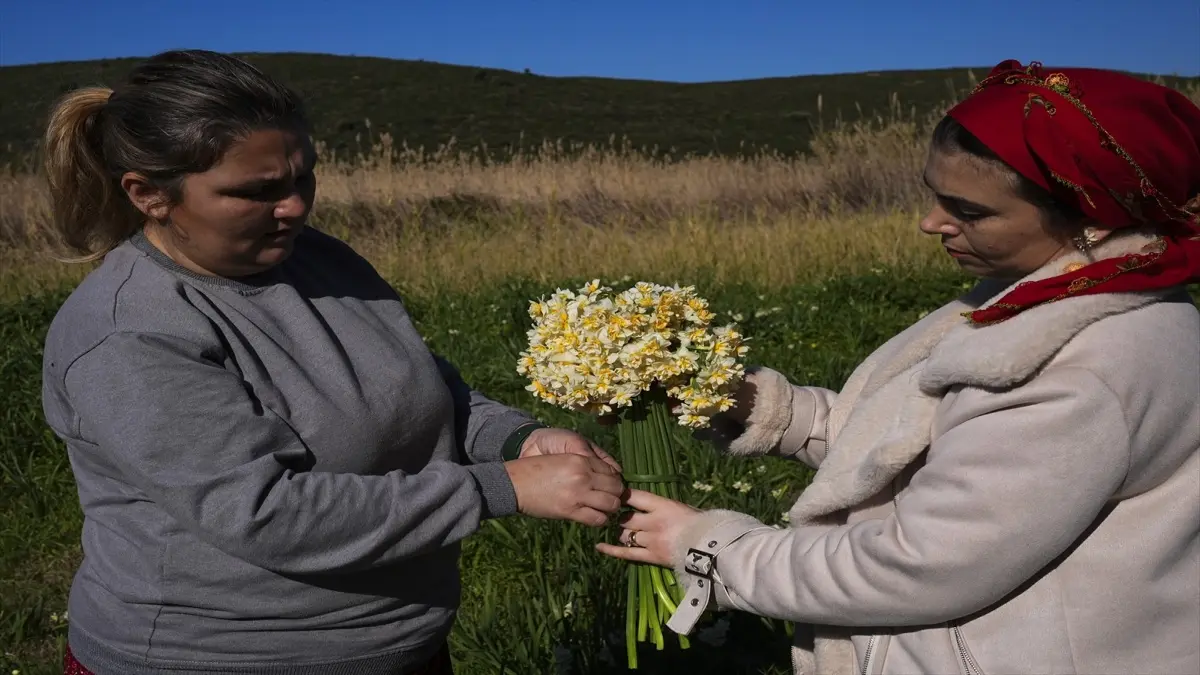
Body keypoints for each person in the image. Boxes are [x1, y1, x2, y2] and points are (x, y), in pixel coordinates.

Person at [597, 59, 1200, 675]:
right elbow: (918, 444)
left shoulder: (1081, 368)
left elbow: (919, 565)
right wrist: (752, 408)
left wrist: (713, 552)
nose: (931, 222)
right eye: (933, 193)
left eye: (968, 211)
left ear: (1093, 218)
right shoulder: (1037, 297)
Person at [40, 49, 626, 675]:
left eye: (303, 178)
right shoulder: (130, 332)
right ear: (149, 195)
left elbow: (422, 388)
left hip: (400, 643)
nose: (294, 207)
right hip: (221, 659)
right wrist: (499, 488)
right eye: (257, 192)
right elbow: (268, 515)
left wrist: (515, 438)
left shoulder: (318, 258)